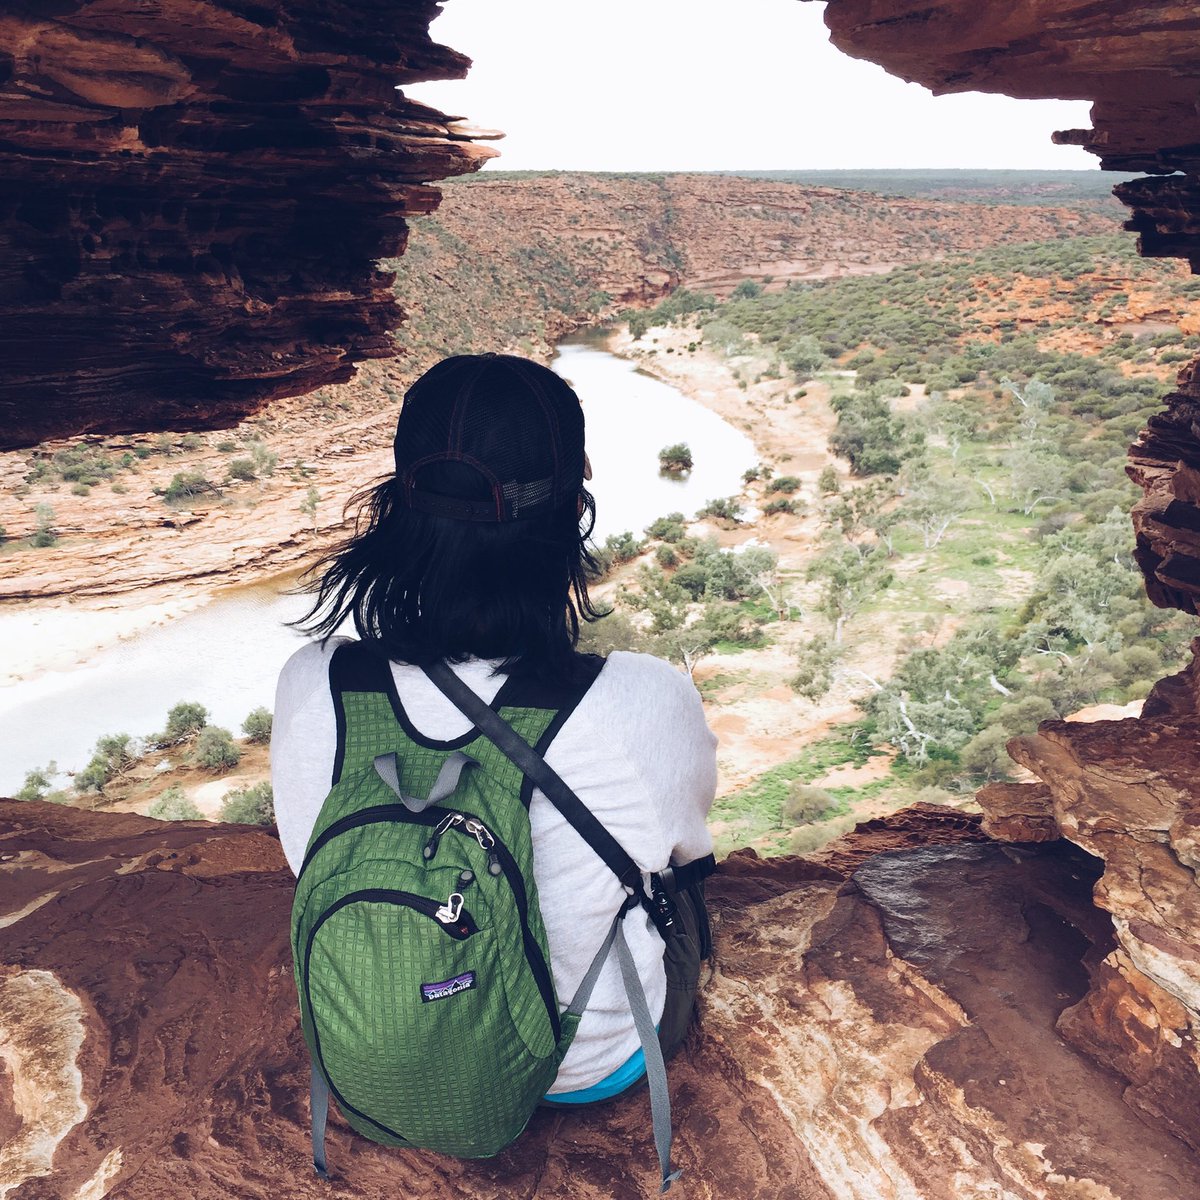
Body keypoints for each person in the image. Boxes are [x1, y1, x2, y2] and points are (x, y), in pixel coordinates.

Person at [271, 352, 716, 1106]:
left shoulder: (318, 682)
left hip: (379, 1049)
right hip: (585, 1065)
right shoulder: (640, 698)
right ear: (572, 514)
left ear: (395, 509)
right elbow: (686, 850)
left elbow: (304, 856)